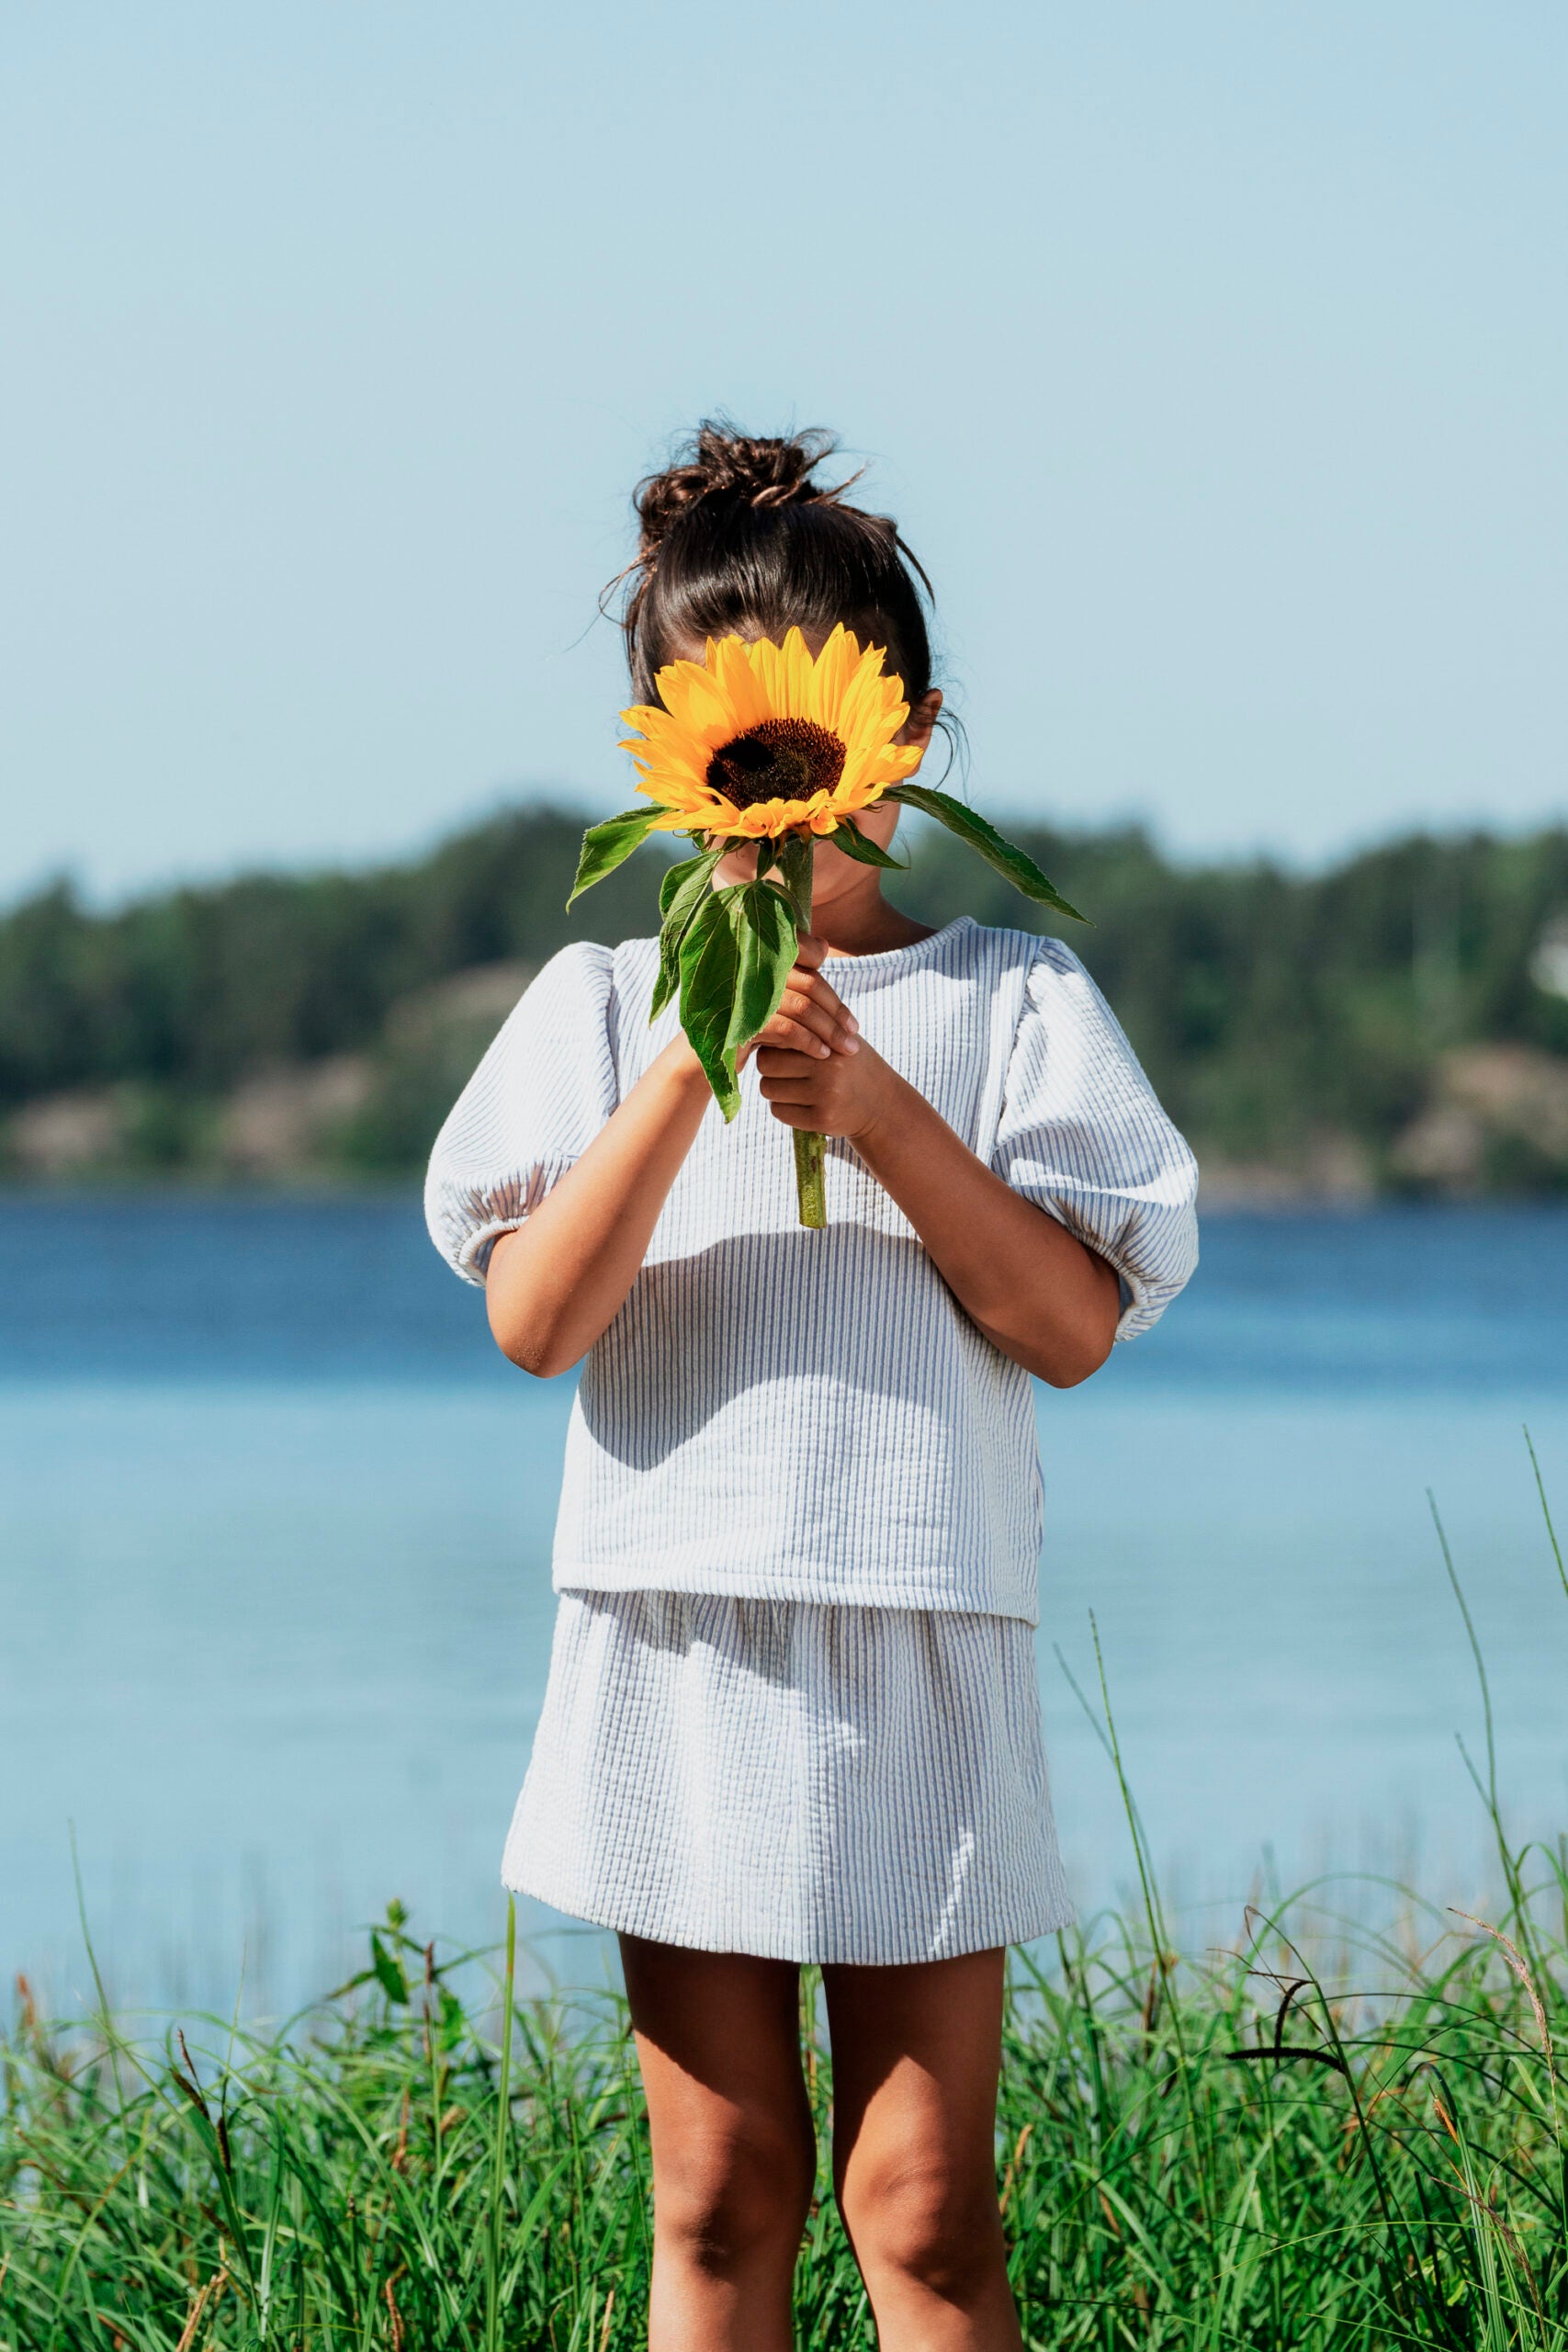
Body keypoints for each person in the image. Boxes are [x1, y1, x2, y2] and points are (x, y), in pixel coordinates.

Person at [425, 424, 1199, 2350]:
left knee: (924, 2206)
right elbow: (535, 1319)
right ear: (662, 752)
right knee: (720, 2186)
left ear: (900, 733)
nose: (763, 795)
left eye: (797, 749)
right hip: (679, 1625)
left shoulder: (1013, 1001)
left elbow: (1068, 1322)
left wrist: (870, 1106)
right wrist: (696, 1043)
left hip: (920, 1629)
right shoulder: (599, 1010)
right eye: (710, 745)